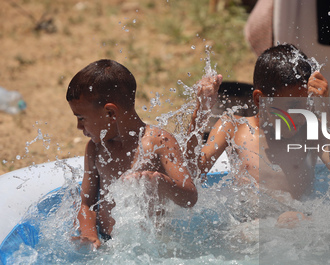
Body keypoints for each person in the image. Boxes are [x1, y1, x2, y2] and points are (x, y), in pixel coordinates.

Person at [186, 44, 330, 224]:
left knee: (291, 219)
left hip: (299, 229)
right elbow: (191, 174)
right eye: (294, 105)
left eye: (309, 103)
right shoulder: (233, 127)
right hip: (249, 229)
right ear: (260, 99)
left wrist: (325, 108)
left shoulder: (311, 131)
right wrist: (200, 112)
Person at [67, 59, 219, 248]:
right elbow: (86, 203)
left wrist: (162, 183)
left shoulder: (159, 142)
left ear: (110, 113)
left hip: (151, 246)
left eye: (81, 118)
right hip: (106, 241)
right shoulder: (95, 148)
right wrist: (89, 232)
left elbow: (190, 198)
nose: (78, 127)